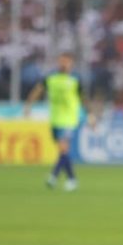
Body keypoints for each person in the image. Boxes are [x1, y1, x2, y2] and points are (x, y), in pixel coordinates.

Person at [24, 52, 91, 191]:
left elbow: (83, 98)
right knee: (62, 152)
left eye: (66, 61)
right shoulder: (51, 77)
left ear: (71, 63)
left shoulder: (75, 79)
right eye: (61, 61)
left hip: (70, 119)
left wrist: (90, 115)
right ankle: (72, 179)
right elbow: (38, 90)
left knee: (63, 148)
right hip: (55, 119)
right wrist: (28, 105)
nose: (63, 64)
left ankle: (53, 177)